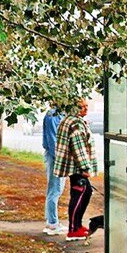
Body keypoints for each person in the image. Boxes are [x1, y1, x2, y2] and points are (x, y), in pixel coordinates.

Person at [52, 99, 97, 242]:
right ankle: (73, 229)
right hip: (77, 167)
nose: (85, 109)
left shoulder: (69, 120)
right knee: (80, 194)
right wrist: (85, 167)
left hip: (73, 166)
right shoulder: (76, 123)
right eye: (81, 107)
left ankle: (77, 226)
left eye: (86, 106)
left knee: (85, 192)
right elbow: (79, 148)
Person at [41, 107, 65, 235]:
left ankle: (52, 220)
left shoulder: (59, 113)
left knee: (57, 189)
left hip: (56, 155)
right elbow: (52, 139)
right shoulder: (53, 114)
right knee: (54, 189)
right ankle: (52, 223)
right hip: (55, 156)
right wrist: (60, 159)